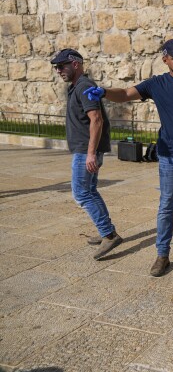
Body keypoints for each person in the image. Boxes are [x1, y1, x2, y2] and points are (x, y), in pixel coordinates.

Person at [84, 39, 173, 277]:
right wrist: (104, 93)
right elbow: (126, 94)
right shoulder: (156, 84)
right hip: (171, 156)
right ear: (165, 60)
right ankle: (162, 255)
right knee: (167, 206)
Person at [51, 48, 123, 260]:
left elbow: (97, 119)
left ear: (75, 64)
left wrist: (91, 153)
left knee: (81, 194)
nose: (58, 70)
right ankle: (107, 231)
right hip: (85, 149)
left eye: (61, 66)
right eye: (56, 67)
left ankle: (109, 235)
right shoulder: (75, 87)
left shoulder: (84, 86)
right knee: (90, 191)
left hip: (86, 151)